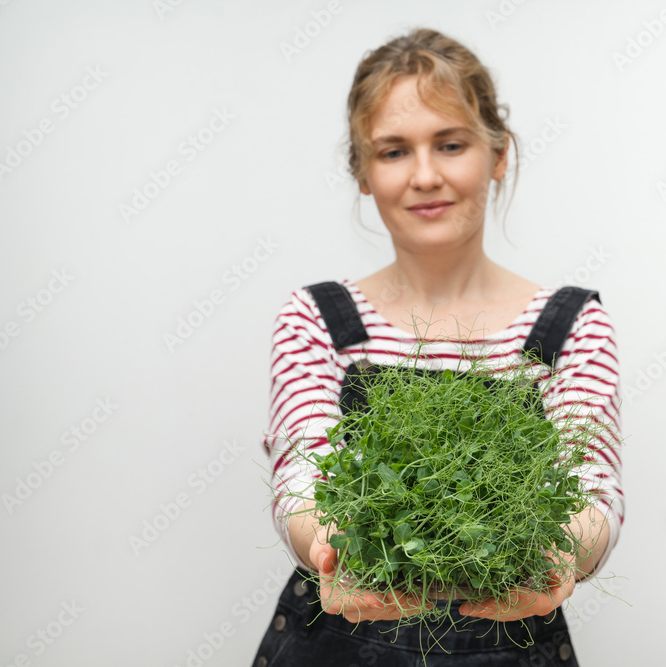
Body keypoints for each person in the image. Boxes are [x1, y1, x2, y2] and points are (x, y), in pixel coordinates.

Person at [252, 27, 623, 667]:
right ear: (363, 173)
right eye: (393, 151)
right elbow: (303, 480)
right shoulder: (316, 318)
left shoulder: (568, 324)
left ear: (498, 154)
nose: (425, 175)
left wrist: (561, 552)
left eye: (450, 145)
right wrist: (334, 550)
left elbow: (593, 491)